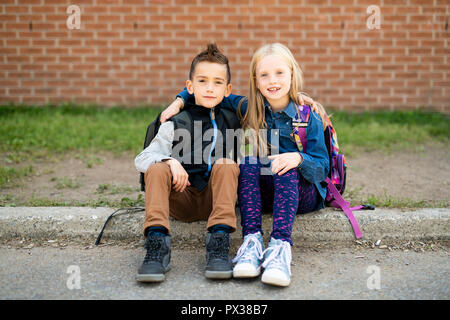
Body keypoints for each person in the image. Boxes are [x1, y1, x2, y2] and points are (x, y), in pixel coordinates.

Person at [165, 43, 330, 287]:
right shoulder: (250, 108)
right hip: (267, 190)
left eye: (280, 73)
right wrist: (179, 100)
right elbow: (210, 89)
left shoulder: (308, 116)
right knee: (249, 162)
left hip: (302, 193)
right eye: (264, 75)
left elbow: (322, 167)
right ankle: (251, 243)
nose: (272, 81)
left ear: (292, 74)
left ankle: (279, 249)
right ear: (256, 79)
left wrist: (298, 158)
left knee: (283, 167)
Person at [134, 43, 241, 282]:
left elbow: (267, 105)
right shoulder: (176, 121)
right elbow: (142, 158)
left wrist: (300, 97)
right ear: (190, 87)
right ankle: (156, 246)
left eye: (217, 82)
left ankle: (218, 245)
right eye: (202, 81)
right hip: (180, 198)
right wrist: (170, 161)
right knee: (158, 166)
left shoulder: (234, 119)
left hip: (216, 199)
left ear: (228, 90)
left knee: (226, 163)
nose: (210, 88)